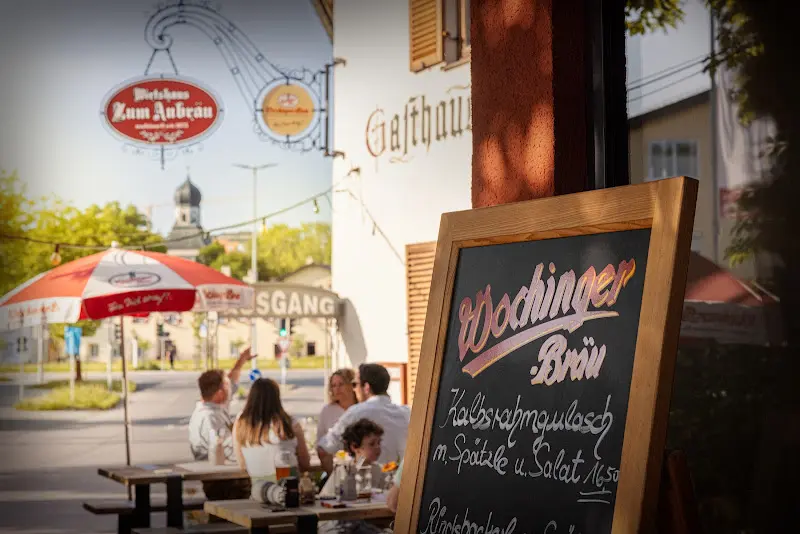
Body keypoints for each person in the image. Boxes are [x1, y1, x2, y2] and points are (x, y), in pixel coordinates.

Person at [187, 346, 256, 500]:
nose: (232, 389)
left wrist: (241, 361)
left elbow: (232, 379)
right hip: (221, 482)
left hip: (225, 476)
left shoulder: (215, 407)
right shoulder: (209, 418)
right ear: (220, 393)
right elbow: (228, 450)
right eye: (227, 387)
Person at [317, 363, 410, 474]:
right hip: (405, 483)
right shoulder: (407, 413)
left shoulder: (355, 412)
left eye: (355, 384)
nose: (354, 389)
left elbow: (323, 449)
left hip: (368, 484)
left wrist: (334, 478)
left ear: (366, 387)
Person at [232, 377, 311, 498]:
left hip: (260, 493)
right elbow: (305, 463)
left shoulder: (241, 423)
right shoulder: (290, 424)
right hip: (290, 491)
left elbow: (242, 464)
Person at [318, 418, 385, 498]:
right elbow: (326, 496)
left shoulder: (381, 471)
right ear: (354, 447)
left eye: (379, 442)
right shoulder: (343, 470)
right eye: (372, 444)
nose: (377, 447)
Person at [317, 369, 358, 444]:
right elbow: (320, 442)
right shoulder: (327, 411)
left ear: (352, 385)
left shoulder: (362, 408)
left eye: (341, 384)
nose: (337, 389)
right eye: (333, 385)